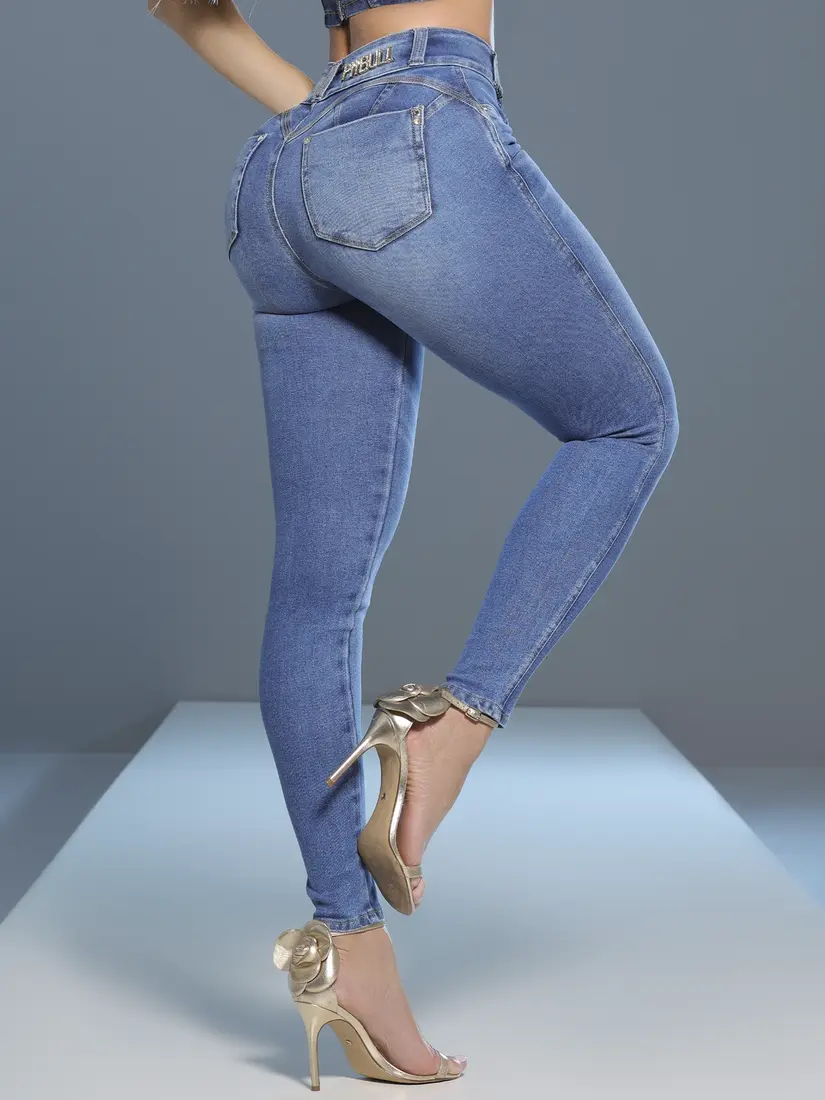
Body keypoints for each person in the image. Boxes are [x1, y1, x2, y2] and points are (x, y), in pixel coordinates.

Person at [149, 0, 679, 1087]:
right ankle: (451, 725)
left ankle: (348, 946)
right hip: (406, 128)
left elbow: (181, 5)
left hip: (283, 169)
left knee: (315, 594)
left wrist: (327, 123)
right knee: (630, 423)